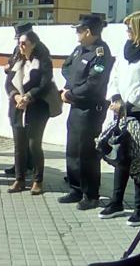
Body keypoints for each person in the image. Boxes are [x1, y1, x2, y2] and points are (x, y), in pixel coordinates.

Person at [99, 11, 140, 226]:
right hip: (120, 109)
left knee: (139, 157)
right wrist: (116, 98)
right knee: (120, 155)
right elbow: (115, 76)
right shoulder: (125, 49)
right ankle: (116, 202)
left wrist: (127, 104)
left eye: (130, 28)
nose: (127, 32)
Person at [58, 14, 113, 210]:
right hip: (75, 107)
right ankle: (75, 189)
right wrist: (70, 90)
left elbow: (94, 83)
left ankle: (91, 194)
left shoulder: (101, 53)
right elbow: (66, 68)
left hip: (90, 109)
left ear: (88, 31)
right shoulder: (79, 49)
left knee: (87, 153)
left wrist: (72, 93)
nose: (76, 33)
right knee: (73, 149)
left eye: (79, 30)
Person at [5, 30, 53, 195]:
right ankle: (19, 179)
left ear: (33, 44)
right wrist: (16, 96)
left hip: (37, 108)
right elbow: (8, 84)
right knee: (20, 145)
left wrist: (29, 96)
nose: (21, 46)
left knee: (34, 144)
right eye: (19, 43)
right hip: (17, 107)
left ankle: (37, 180)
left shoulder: (43, 61)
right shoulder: (17, 60)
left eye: (24, 43)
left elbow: (45, 84)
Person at [3, 23, 34, 176]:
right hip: (14, 98)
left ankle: (29, 165)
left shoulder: (36, 50)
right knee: (18, 135)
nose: (19, 44)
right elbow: (12, 64)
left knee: (28, 136)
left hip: (27, 99)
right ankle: (20, 164)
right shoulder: (17, 49)